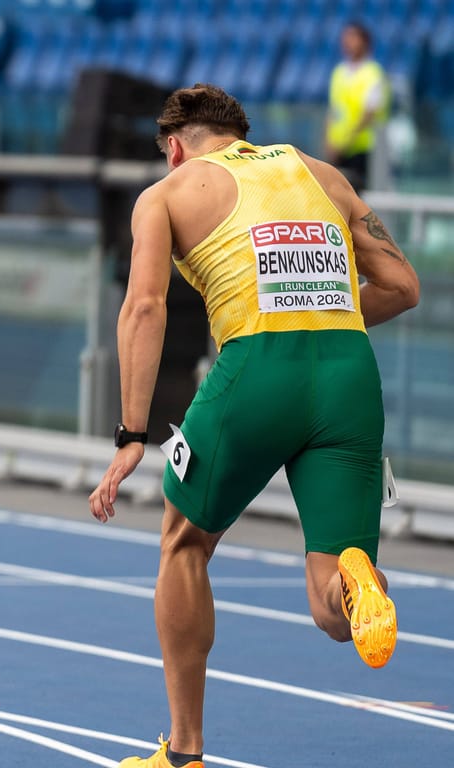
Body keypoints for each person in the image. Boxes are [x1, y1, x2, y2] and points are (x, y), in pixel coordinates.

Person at [88, 83, 419, 768]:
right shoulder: (322, 174)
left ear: (175, 147)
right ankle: (355, 581)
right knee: (333, 606)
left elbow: (144, 310)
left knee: (183, 543)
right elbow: (401, 286)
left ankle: (184, 754)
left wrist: (129, 435)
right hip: (349, 372)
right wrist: (321, 316)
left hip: (258, 367)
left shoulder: (167, 195)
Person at [325, 22, 389, 192]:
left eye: (353, 37)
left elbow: (370, 113)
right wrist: (329, 141)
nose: (347, 42)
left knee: (359, 196)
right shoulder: (339, 72)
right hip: (338, 149)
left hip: (363, 149)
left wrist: (346, 141)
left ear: (365, 42)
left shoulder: (373, 73)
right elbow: (334, 109)